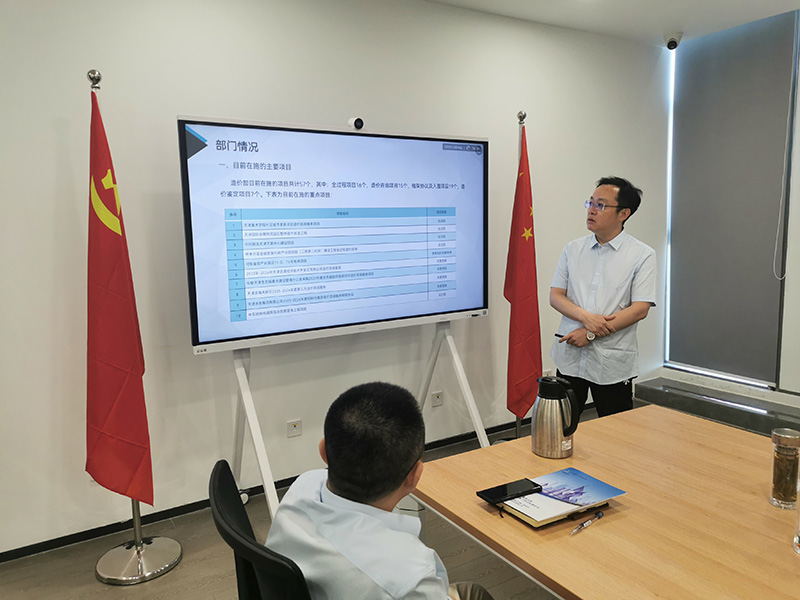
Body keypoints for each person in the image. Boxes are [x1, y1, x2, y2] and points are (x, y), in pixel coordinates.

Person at [266, 381, 494, 600]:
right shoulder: (408, 576)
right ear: (414, 477)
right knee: (475, 592)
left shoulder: (302, 488)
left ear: (323, 451)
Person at [549, 176, 656, 417]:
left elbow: (639, 309)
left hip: (612, 362)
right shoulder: (572, 249)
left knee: (616, 430)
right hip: (570, 355)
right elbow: (556, 296)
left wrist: (590, 333)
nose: (592, 210)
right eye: (590, 203)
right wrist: (587, 318)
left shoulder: (642, 255)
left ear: (623, 214)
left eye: (601, 205)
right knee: (562, 425)